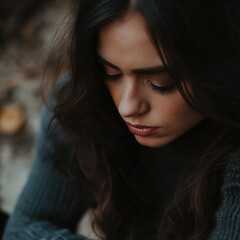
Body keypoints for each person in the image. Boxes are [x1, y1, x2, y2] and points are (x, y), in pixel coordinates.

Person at [3, 0, 240, 239]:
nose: (127, 107)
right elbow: (22, 229)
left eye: (161, 83)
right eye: (111, 74)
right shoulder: (86, 100)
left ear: (220, 66)